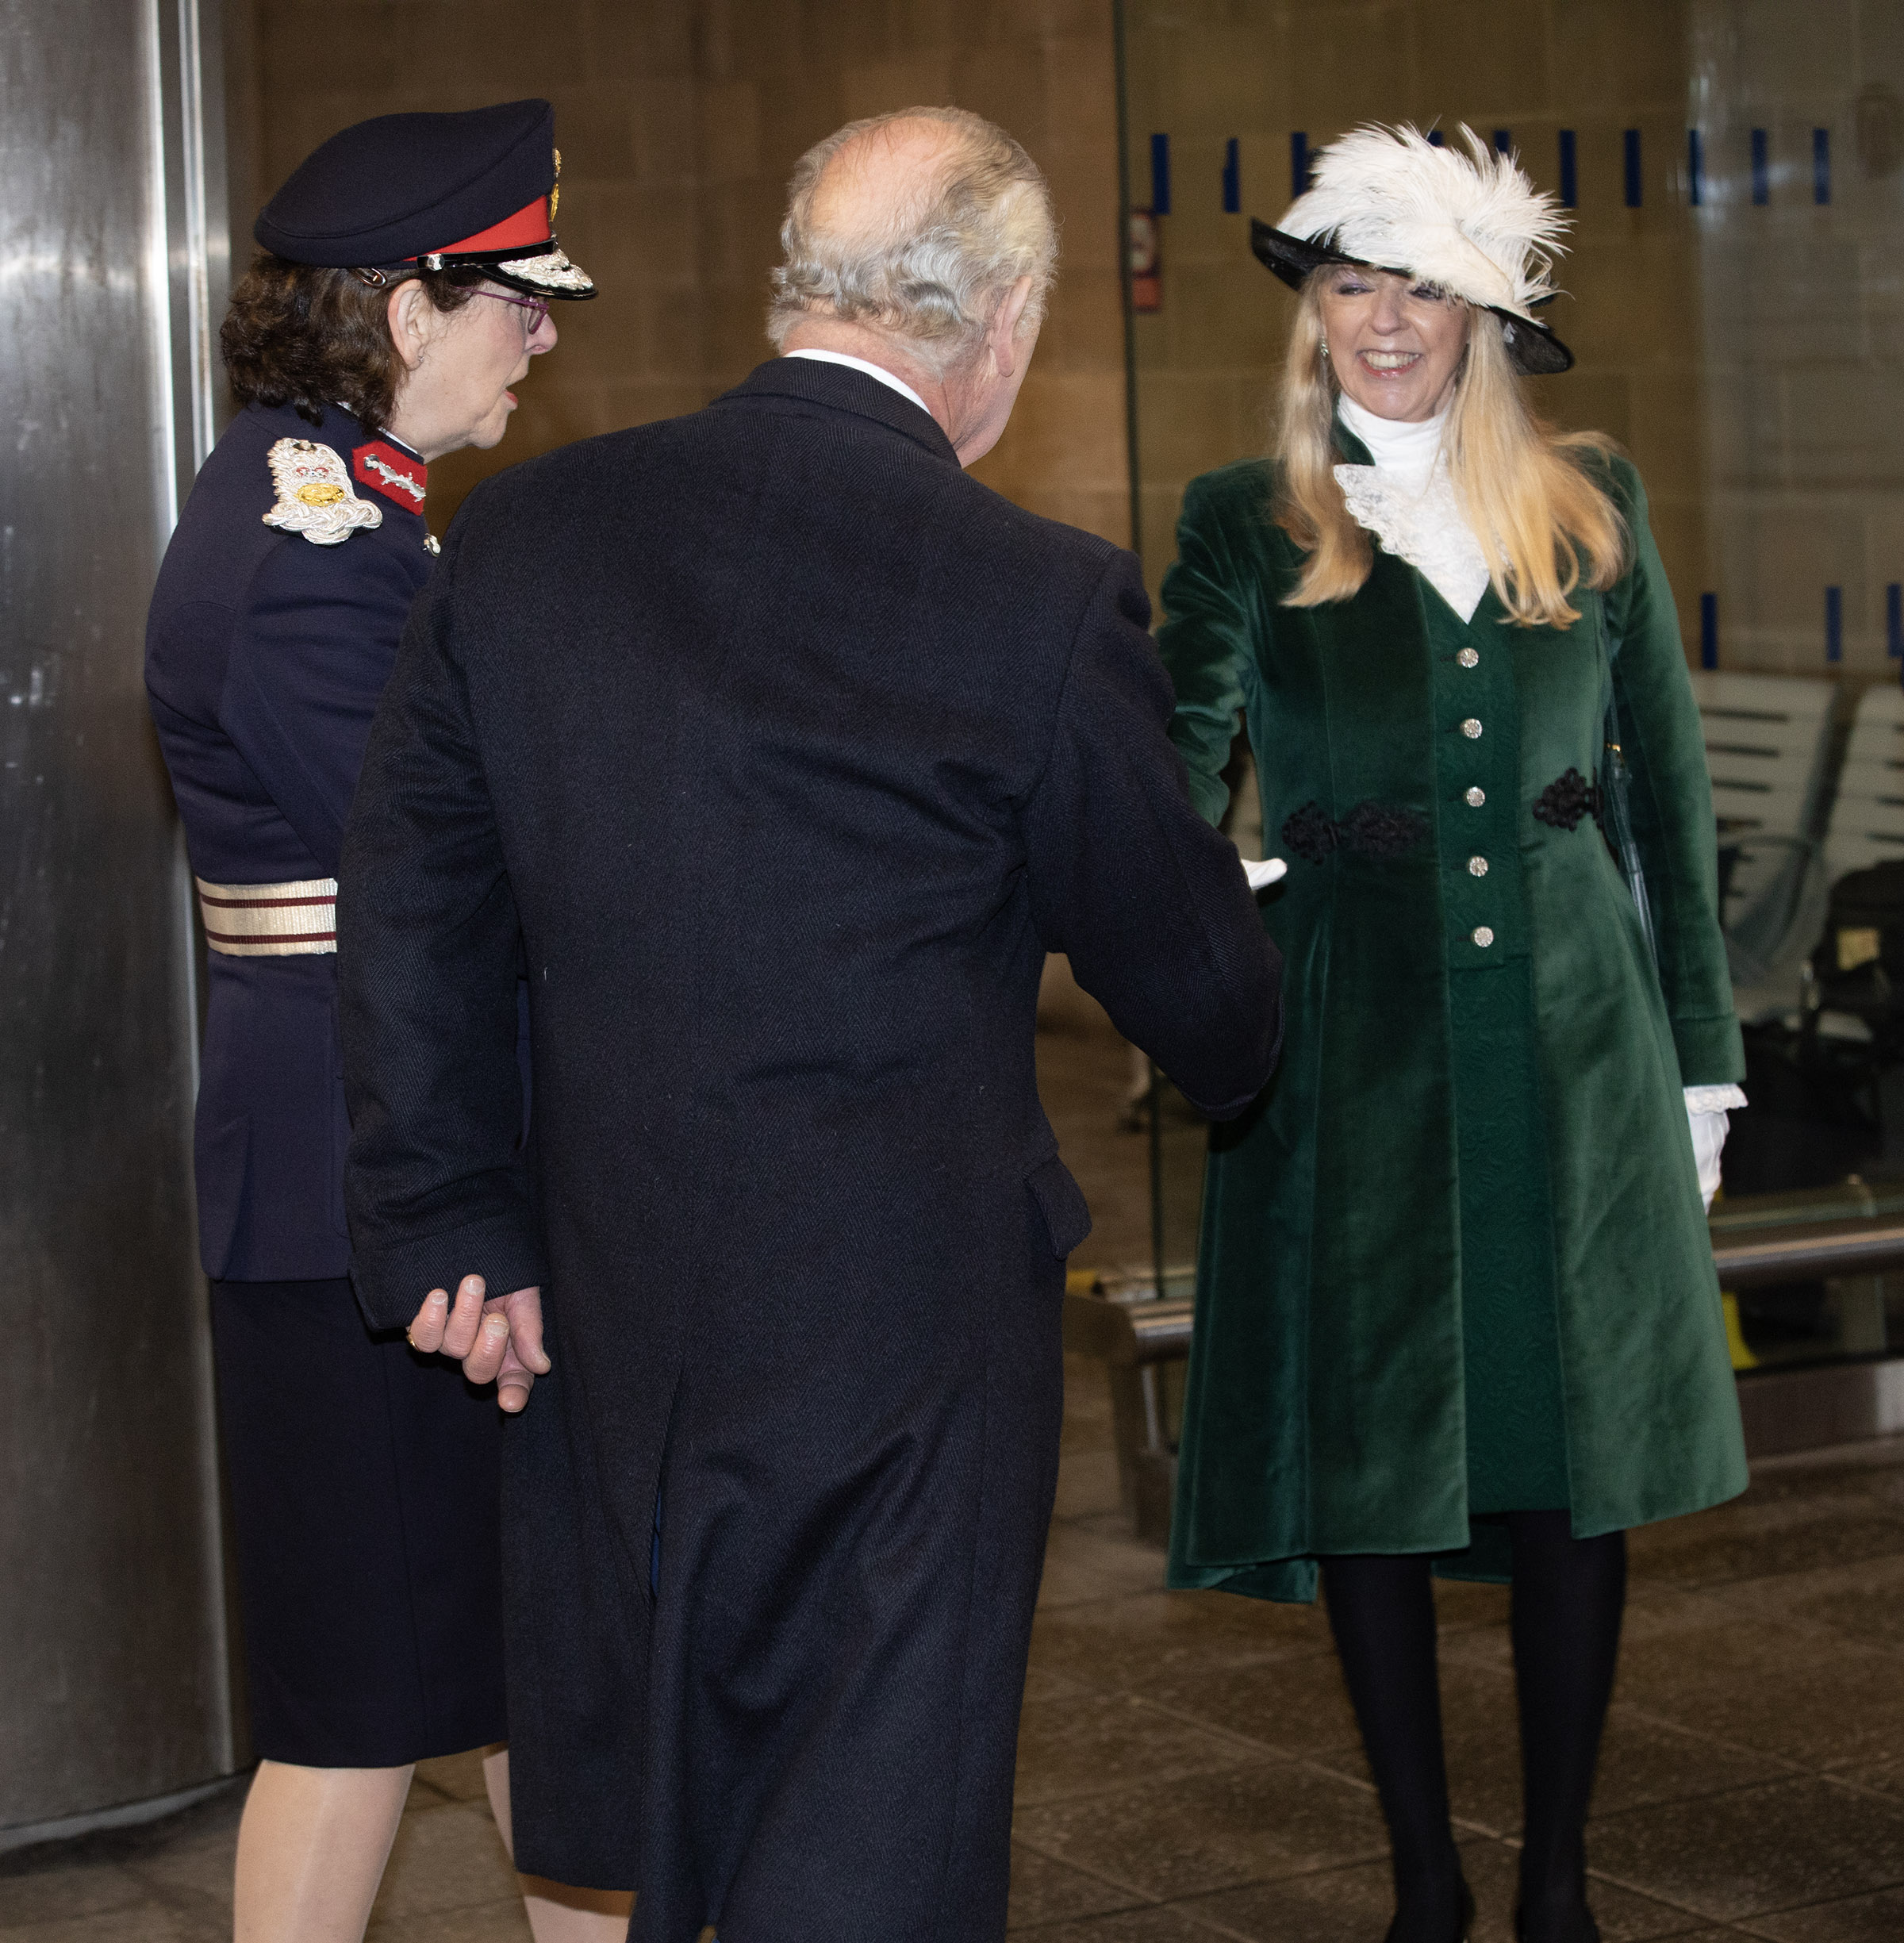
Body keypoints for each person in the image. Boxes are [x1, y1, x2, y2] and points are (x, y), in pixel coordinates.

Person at [336, 106, 1283, 1943]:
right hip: (900, 1347)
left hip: (600, 1306)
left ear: (792, 291)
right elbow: (1186, 977)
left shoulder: (523, 538)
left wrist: (451, 1212)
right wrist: (1258, 1016)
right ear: (1002, 322)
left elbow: (412, 903)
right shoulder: (1033, 596)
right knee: (873, 1840)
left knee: (654, 1830)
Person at [1159, 125, 1748, 1943]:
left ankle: (1558, 1877)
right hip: (1356, 1053)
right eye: (1351, 285)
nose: (1384, 321)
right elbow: (1166, 787)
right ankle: (1426, 1882)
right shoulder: (1242, 521)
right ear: (1312, 315)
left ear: (1486, 312)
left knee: (1576, 1466)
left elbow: (1668, 809)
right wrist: (1234, 919)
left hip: (1579, 1045)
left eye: (1421, 286)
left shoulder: (1594, 501)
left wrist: (1703, 1058)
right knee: (1372, 1471)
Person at [144, 99, 627, 1943]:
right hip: (377, 1204)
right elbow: (457, 892)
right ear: (414, 308)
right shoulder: (317, 560)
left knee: (520, 1679)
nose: (544, 335)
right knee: (360, 1712)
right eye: (520, 296)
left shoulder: (347, 522)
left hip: (375, 1186)